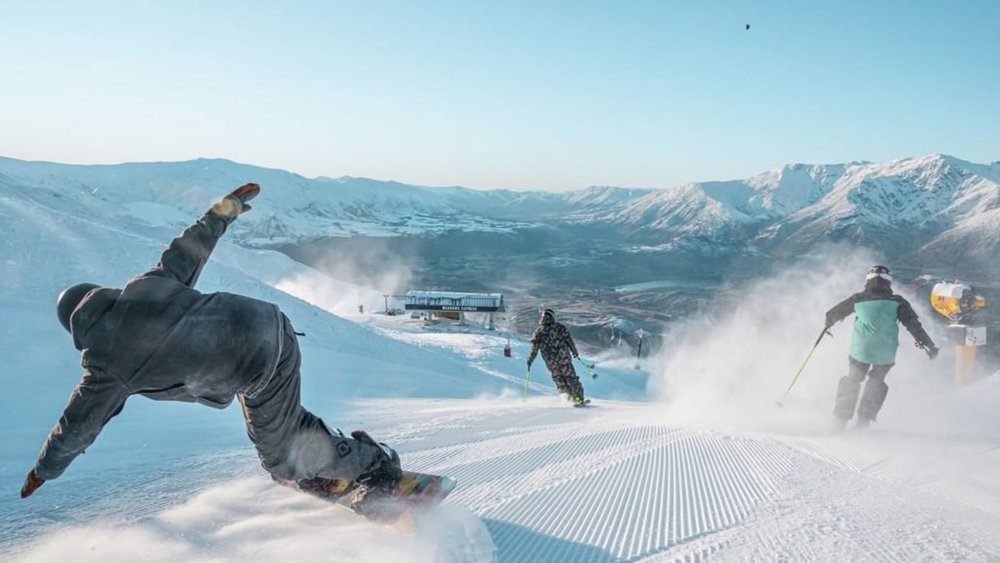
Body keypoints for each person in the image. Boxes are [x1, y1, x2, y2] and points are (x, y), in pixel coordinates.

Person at [20, 184, 401, 508]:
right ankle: (320, 457)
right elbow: (189, 246)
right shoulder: (146, 287)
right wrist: (225, 208)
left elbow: (76, 428)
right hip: (270, 327)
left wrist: (43, 470)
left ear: (75, 328)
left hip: (255, 363)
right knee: (275, 424)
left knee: (279, 460)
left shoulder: (105, 365)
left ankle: (375, 465)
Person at [825, 265, 939, 430]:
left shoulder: (858, 298)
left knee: (853, 380)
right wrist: (929, 346)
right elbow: (914, 326)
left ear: (868, 280)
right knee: (877, 382)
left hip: (861, 350)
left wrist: (827, 324)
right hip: (885, 353)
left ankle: (839, 422)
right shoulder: (897, 302)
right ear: (888, 283)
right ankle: (863, 422)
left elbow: (832, 314)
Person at [527, 309, 587, 404]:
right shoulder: (559, 327)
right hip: (564, 359)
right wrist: (574, 351)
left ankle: (567, 397)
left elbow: (534, 348)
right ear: (552, 317)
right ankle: (578, 398)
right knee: (571, 377)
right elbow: (569, 340)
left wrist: (530, 360)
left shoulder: (538, 331)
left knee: (558, 378)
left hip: (551, 362)